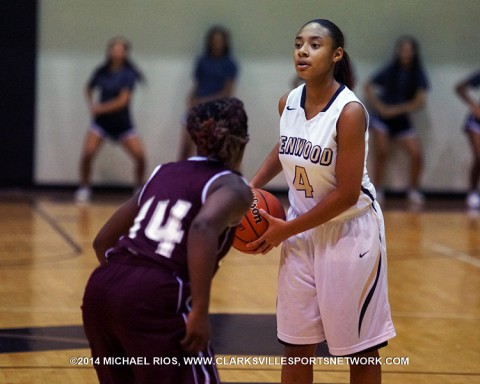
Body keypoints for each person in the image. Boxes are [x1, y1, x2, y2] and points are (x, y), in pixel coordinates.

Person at [248, 19, 396, 384]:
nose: (302, 50)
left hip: (349, 235)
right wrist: (248, 187)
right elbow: (284, 146)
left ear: (336, 55)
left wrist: (285, 230)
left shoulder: (349, 112)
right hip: (300, 232)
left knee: (360, 350)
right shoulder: (289, 102)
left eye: (314, 45)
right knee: (296, 345)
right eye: (298, 43)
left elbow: (346, 193)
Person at [81, 98, 252, 384]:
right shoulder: (232, 186)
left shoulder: (163, 173)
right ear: (243, 141)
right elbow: (202, 226)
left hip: (101, 289)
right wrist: (198, 310)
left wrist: (124, 283)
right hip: (156, 294)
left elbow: (102, 241)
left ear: (196, 137)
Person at [75, 37, 147, 203]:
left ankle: (139, 188)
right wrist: (91, 104)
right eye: (114, 48)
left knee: (140, 156)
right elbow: (88, 88)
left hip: (122, 122)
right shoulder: (102, 71)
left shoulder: (128, 74)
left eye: (120, 49)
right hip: (102, 123)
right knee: (88, 153)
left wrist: (99, 108)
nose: (116, 51)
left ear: (125, 53)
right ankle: (84, 187)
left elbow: (123, 101)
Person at [364, 36, 429, 206]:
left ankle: (413, 189)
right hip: (382, 119)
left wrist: (396, 110)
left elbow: (420, 102)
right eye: (402, 49)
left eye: (408, 50)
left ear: (414, 52)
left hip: (402, 120)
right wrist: (380, 107)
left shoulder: (418, 73)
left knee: (416, 154)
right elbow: (368, 85)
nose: (405, 53)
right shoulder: (390, 69)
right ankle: (377, 189)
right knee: (382, 152)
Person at [178, 25, 238, 160]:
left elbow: (227, 92)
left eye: (220, 41)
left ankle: (236, 180)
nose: (217, 44)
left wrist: (204, 101)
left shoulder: (229, 64)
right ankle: (179, 179)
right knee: (186, 148)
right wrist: (191, 98)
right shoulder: (202, 61)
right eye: (214, 41)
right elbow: (197, 84)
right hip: (197, 108)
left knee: (222, 152)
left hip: (218, 110)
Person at [455, 70, 480, 209]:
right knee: (479, 157)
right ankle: (473, 192)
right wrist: (474, 105)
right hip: (476, 123)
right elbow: (459, 88)